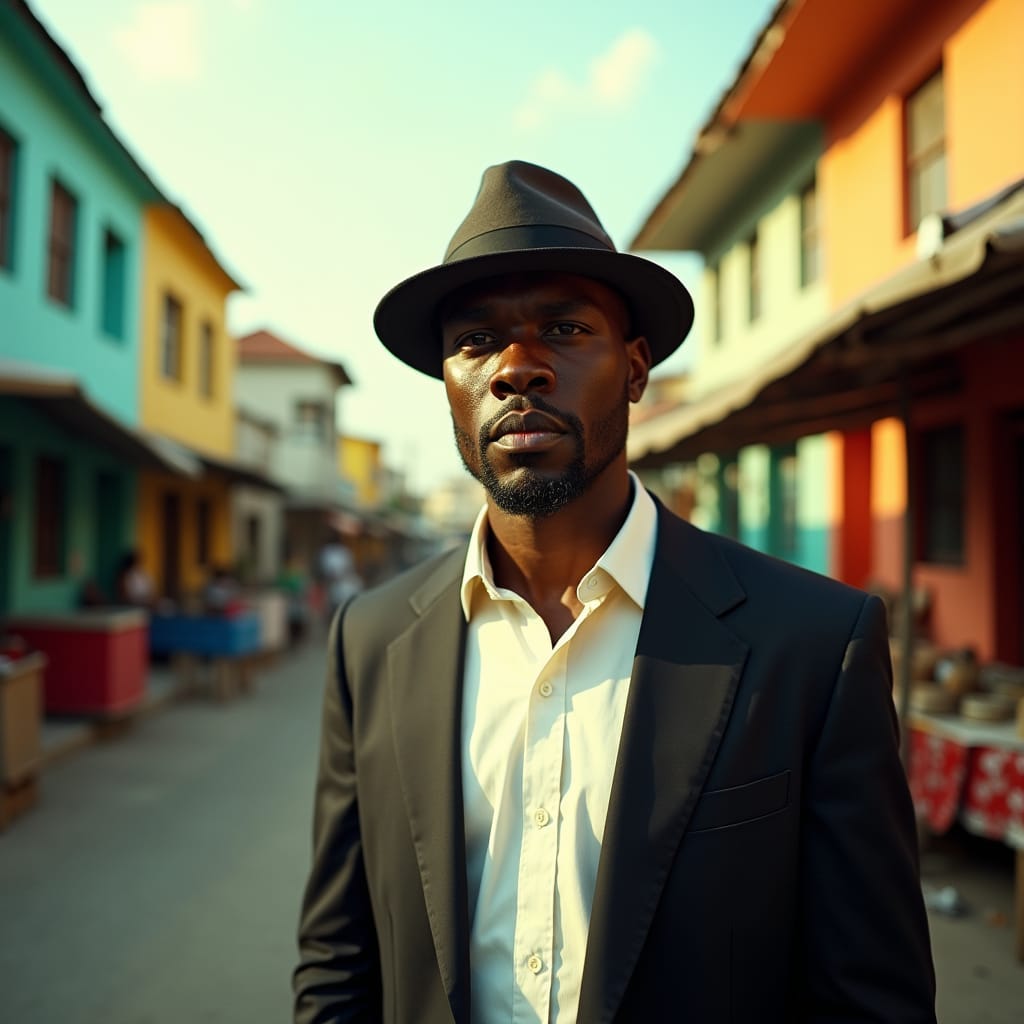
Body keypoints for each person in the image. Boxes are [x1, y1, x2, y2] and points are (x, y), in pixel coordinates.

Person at [294, 161, 936, 1023]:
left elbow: (871, 995)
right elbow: (339, 957)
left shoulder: (816, 643)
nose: (517, 368)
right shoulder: (369, 640)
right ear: (446, 384)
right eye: (476, 341)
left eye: (562, 327)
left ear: (635, 369)